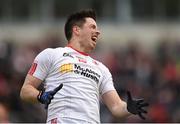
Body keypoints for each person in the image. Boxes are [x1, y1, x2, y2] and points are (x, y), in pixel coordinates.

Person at [20, 9, 148, 123]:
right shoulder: (52, 55)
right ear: (76, 30)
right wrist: (41, 96)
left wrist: (128, 108)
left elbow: (116, 107)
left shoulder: (101, 68)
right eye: (92, 27)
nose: (98, 32)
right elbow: (25, 90)